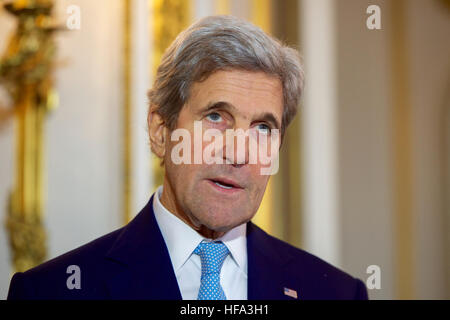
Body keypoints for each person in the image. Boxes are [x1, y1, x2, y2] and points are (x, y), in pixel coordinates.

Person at [7, 15, 368, 300]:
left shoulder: (335, 292)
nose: (238, 151)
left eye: (262, 128)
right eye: (216, 117)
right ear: (160, 130)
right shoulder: (51, 291)